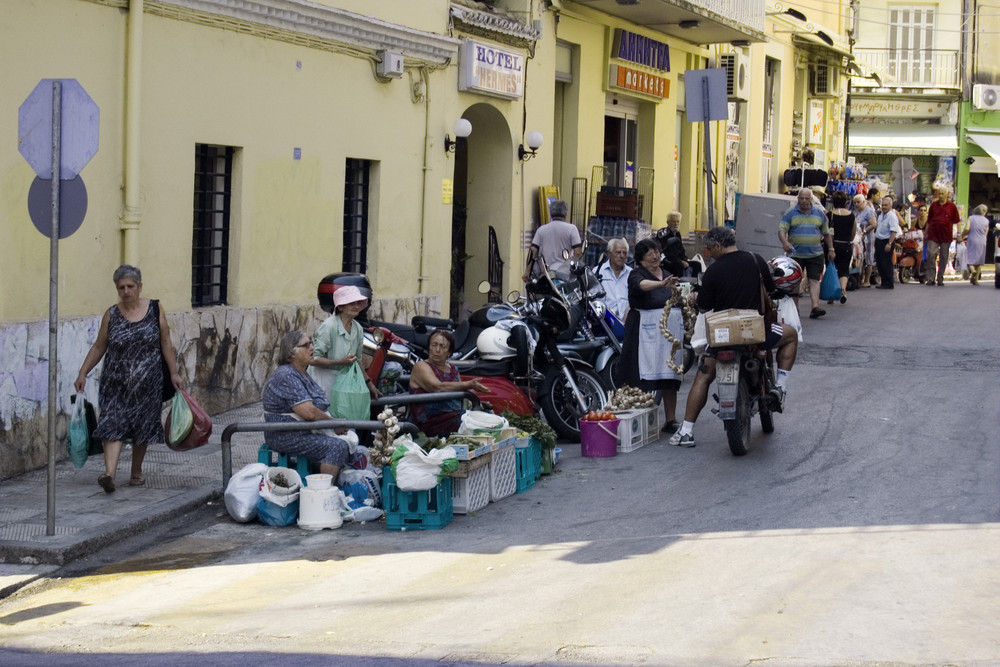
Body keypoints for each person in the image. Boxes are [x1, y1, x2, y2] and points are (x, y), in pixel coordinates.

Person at [669, 227, 799, 448]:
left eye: (710, 248)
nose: (709, 253)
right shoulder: (755, 260)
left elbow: (704, 307)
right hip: (755, 333)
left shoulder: (713, 271)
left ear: (719, 246)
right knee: (791, 335)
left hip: (723, 336)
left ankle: (686, 431)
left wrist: (694, 300)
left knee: (704, 374)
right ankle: (780, 387)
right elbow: (770, 289)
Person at [74, 265, 183, 493]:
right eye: (121, 287)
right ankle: (109, 474)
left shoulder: (155, 309)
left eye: (130, 286)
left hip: (148, 383)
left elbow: (166, 343)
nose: (126, 291)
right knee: (111, 423)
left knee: (142, 425)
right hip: (115, 383)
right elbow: (99, 346)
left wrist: (173, 373)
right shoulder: (111, 314)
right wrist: (83, 372)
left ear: (140, 287)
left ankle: (136, 472)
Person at [262, 331, 351, 478]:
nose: (312, 348)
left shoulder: (301, 372)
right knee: (337, 447)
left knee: (350, 439)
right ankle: (322, 493)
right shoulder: (286, 375)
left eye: (311, 343)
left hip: (303, 430)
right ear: (292, 353)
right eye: (306, 345)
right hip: (286, 435)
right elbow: (309, 412)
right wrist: (333, 423)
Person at [618, 238, 683, 435]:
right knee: (640, 375)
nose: (655, 256)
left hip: (668, 333)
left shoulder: (668, 273)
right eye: (649, 253)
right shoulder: (636, 275)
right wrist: (661, 284)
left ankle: (670, 419)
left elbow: (678, 294)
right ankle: (641, 419)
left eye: (656, 251)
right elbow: (641, 285)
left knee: (669, 375)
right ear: (641, 258)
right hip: (643, 330)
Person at [309, 285, 379, 406]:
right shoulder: (329, 327)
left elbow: (357, 360)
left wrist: (369, 384)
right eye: (351, 303)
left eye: (358, 302)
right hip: (321, 381)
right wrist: (339, 362)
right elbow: (313, 359)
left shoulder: (357, 328)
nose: (356, 306)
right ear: (341, 307)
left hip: (342, 383)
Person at [408, 330, 488, 436]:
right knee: (477, 425)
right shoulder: (421, 366)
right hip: (431, 423)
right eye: (434, 345)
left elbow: (458, 396)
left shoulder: (453, 369)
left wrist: (478, 404)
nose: (437, 350)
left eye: (443, 347)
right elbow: (436, 387)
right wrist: (468, 384)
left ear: (449, 352)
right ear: (429, 347)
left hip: (455, 417)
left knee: (491, 419)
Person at [779, 188, 835, 318]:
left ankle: (815, 307)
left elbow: (826, 234)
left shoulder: (819, 214)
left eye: (807, 198)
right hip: (795, 254)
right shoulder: (790, 213)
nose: (804, 201)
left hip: (815, 254)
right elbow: (781, 229)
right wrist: (785, 243)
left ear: (811, 200)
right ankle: (795, 309)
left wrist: (831, 249)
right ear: (798, 199)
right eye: (801, 198)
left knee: (814, 280)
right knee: (795, 282)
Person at [523, 200, 581, 282]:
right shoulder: (572, 229)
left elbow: (533, 251)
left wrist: (527, 271)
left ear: (551, 214)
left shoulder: (541, 230)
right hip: (565, 273)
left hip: (546, 274)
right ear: (565, 214)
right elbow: (577, 252)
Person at [925, 187, 960, 286]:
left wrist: (959, 234)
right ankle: (931, 278)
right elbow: (929, 220)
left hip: (946, 235)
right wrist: (926, 233)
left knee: (944, 257)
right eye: (939, 193)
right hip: (933, 235)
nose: (940, 195)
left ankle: (940, 278)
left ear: (947, 194)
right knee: (931, 254)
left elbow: (957, 222)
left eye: (942, 193)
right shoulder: (933, 206)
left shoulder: (952, 206)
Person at [827, 190, 857, 304]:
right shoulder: (851, 215)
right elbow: (853, 232)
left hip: (833, 245)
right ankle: (843, 290)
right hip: (846, 245)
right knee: (844, 269)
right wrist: (849, 240)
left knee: (832, 268)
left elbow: (826, 232)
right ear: (845, 202)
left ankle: (831, 293)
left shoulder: (830, 215)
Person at [596, 237, 631, 320]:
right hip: (603, 321)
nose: (622, 256)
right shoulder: (599, 271)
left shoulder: (631, 274)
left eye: (624, 253)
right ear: (609, 253)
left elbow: (634, 300)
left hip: (626, 321)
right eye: (618, 252)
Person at [873, 196, 902, 290]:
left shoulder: (892, 216)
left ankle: (889, 283)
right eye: (883, 205)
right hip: (879, 241)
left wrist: (889, 243)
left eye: (886, 205)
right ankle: (883, 281)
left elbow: (893, 231)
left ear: (890, 205)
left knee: (886, 263)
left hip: (887, 241)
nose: (884, 207)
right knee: (880, 263)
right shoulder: (881, 215)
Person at [853, 193, 878, 288]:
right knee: (860, 257)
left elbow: (873, 224)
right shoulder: (856, 212)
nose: (856, 204)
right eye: (855, 202)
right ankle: (860, 279)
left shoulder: (869, 211)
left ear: (864, 202)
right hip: (858, 239)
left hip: (867, 238)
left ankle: (867, 280)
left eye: (858, 202)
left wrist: (863, 231)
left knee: (868, 257)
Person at [962, 204, 990, 285]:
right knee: (979, 259)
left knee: (969, 257)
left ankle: (973, 270)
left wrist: (962, 236)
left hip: (972, 239)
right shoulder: (986, 221)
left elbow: (967, 228)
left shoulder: (971, 218)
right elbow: (986, 233)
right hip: (982, 240)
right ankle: (976, 280)